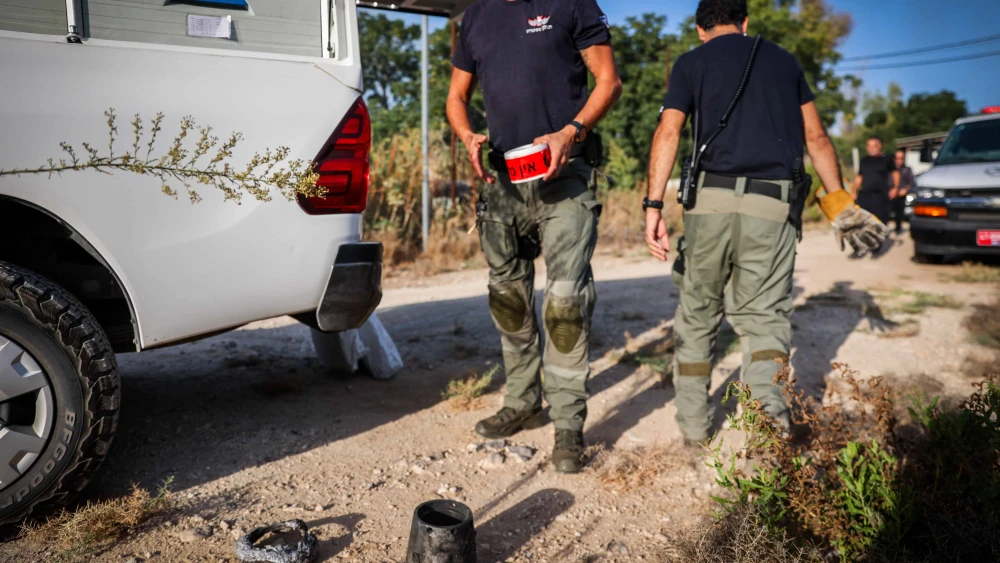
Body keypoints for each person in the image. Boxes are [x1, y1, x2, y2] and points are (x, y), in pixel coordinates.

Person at [644, 0, 887, 445]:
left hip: (709, 204)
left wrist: (652, 205)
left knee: (698, 316)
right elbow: (816, 137)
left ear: (700, 29)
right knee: (764, 322)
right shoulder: (783, 60)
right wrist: (838, 204)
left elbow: (669, 132)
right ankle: (767, 437)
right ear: (745, 21)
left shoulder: (690, 63)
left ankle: (696, 432)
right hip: (772, 205)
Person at [446, 0, 622, 473]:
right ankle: (523, 400)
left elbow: (609, 81)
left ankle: (568, 424)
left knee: (565, 302)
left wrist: (571, 131)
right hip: (503, 183)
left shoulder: (572, 4)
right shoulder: (477, 17)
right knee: (509, 300)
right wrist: (466, 135)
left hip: (565, 175)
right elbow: (456, 97)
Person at [853, 136, 900, 226]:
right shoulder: (864, 160)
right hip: (864, 196)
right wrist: (853, 191)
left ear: (879, 146)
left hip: (880, 196)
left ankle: (879, 239)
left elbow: (895, 173)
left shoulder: (886, 159)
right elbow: (859, 177)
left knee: (879, 223)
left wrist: (895, 188)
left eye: (873, 146)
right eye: (869, 146)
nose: (871, 148)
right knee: (863, 223)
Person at [890, 149, 915, 234]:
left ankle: (898, 227)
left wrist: (905, 189)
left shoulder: (907, 170)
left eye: (901, 158)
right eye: (897, 158)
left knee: (899, 213)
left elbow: (911, 182)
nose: (898, 160)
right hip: (889, 194)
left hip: (901, 195)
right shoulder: (889, 170)